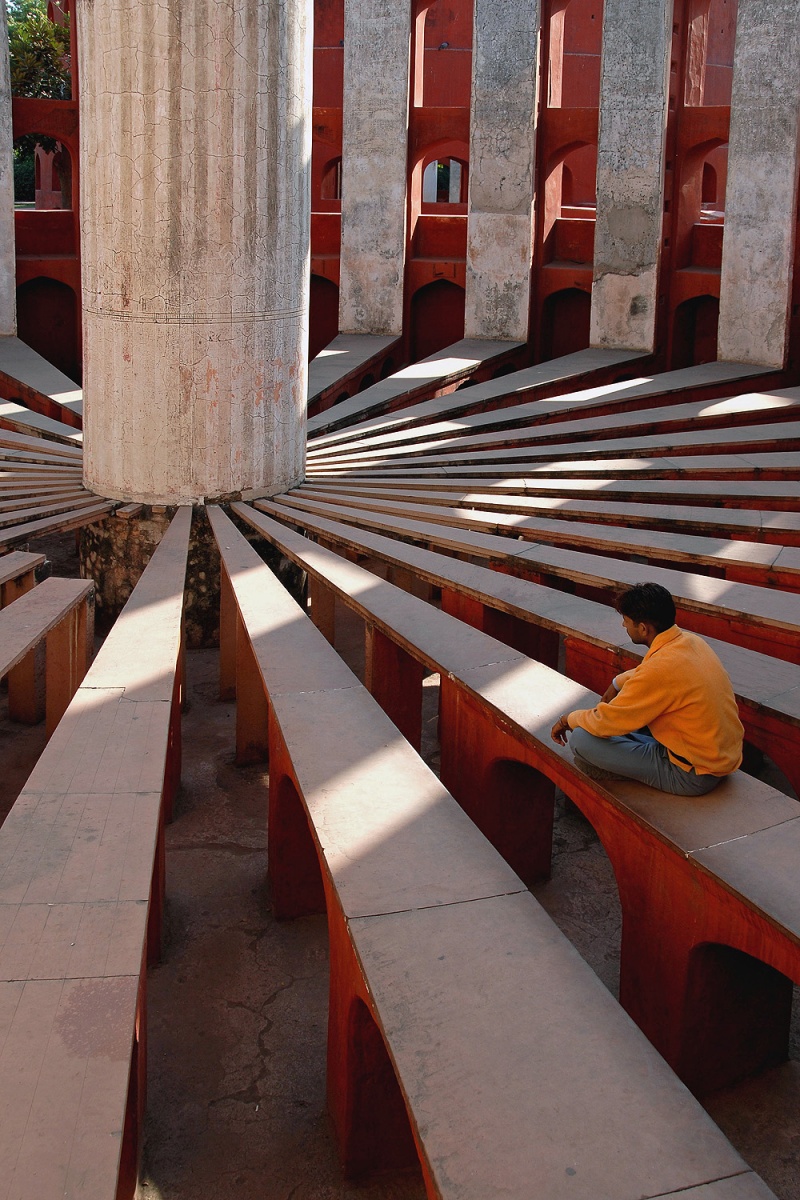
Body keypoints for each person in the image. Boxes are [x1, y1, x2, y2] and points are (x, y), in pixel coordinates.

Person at [550, 582, 744, 795]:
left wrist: (567, 719)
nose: (624, 626)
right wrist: (618, 682)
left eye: (626, 621)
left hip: (692, 774)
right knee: (628, 711)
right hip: (718, 756)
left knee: (581, 741)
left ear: (643, 628)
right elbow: (658, 673)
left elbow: (606, 722)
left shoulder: (659, 671)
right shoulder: (691, 641)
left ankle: (630, 771)